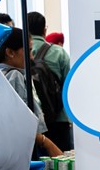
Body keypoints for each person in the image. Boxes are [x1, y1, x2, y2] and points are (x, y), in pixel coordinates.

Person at [0, 28, 63, 157]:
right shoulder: (15, 76)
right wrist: (46, 143)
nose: (31, 57)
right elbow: (21, 122)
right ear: (10, 52)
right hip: (22, 149)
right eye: (29, 50)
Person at [27, 11, 73, 151]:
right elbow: (69, 86)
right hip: (59, 118)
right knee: (61, 160)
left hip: (34, 122)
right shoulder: (59, 53)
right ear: (44, 29)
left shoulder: (19, 51)